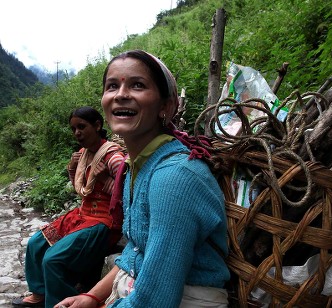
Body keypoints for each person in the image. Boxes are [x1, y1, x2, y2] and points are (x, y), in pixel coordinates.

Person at [54, 50, 230, 308]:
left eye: (137, 85)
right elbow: (137, 249)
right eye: (112, 86)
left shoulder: (175, 177)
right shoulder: (138, 165)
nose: (121, 94)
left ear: (166, 106)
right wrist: (91, 297)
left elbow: (155, 300)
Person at [12, 106, 126, 308]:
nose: (77, 133)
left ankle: (64, 303)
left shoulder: (113, 156)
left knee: (53, 259)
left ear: (97, 125)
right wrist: (73, 169)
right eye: (73, 129)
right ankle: (40, 293)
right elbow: (80, 190)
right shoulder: (83, 154)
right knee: (36, 243)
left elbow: (127, 195)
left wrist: (106, 178)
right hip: (82, 215)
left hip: (103, 223)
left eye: (82, 127)